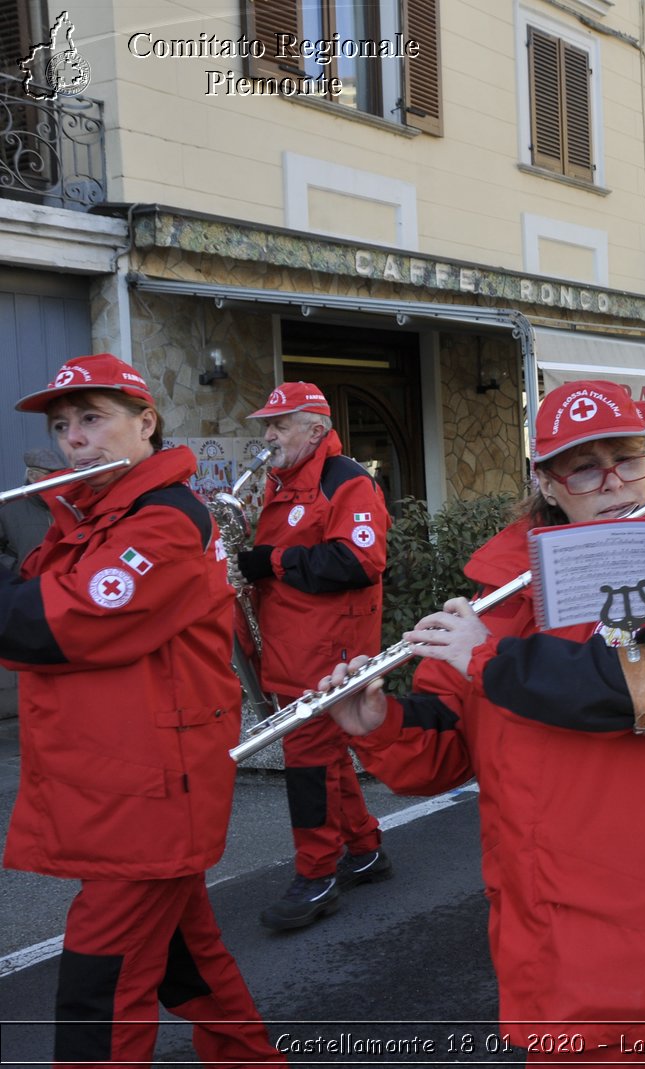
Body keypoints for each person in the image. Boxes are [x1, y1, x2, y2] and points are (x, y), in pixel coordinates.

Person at [319, 380, 645, 1064]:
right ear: (549, 485)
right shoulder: (502, 584)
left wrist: (491, 659)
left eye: (629, 459)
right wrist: (379, 720)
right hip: (531, 896)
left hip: (637, 890)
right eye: (584, 466)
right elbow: (443, 750)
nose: (612, 483)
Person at [0, 354, 284, 1066]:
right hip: (129, 786)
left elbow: (52, 624)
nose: (75, 439)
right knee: (191, 966)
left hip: (151, 795)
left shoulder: (163, 520)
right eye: (63, 426)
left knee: (100, 989)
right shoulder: (94, 517)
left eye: (93, 419)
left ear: (145, 423)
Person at [240, 382, 394, 931]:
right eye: (267, 425)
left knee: (308, 762)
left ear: (317, 430)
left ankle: (316, 873)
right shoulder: (284, 482)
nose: (268, 436)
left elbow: (359, 562)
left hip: (330, 654)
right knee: (325, 755)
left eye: (280, 425)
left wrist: (272, 562)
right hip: (294, 649)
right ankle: (366, 849)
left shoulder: (345, 480)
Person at [0, 446, 66, 571]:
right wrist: (16, 570)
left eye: (61, 474)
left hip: (64, 585)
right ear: (31, 475)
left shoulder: (71, 506)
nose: (59, 479)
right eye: (51, 474)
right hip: (25, 587)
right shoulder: (8, 509)